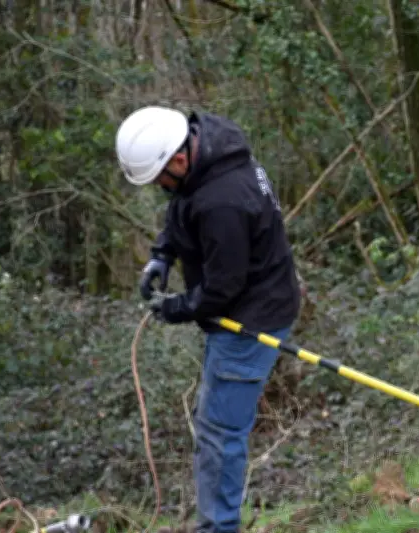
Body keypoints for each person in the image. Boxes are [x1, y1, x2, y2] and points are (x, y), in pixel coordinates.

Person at [115, 105, 301, 533]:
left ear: (178, 160)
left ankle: (218, 528)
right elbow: (182, 204)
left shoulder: (223, 201)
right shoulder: (210, 152)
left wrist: (176, 307)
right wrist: (162, 255)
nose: (161, 186)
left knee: (219, 431)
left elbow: (222, 289)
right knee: (215, 424)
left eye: (161, 177)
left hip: (249, 319)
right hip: (248, 299)